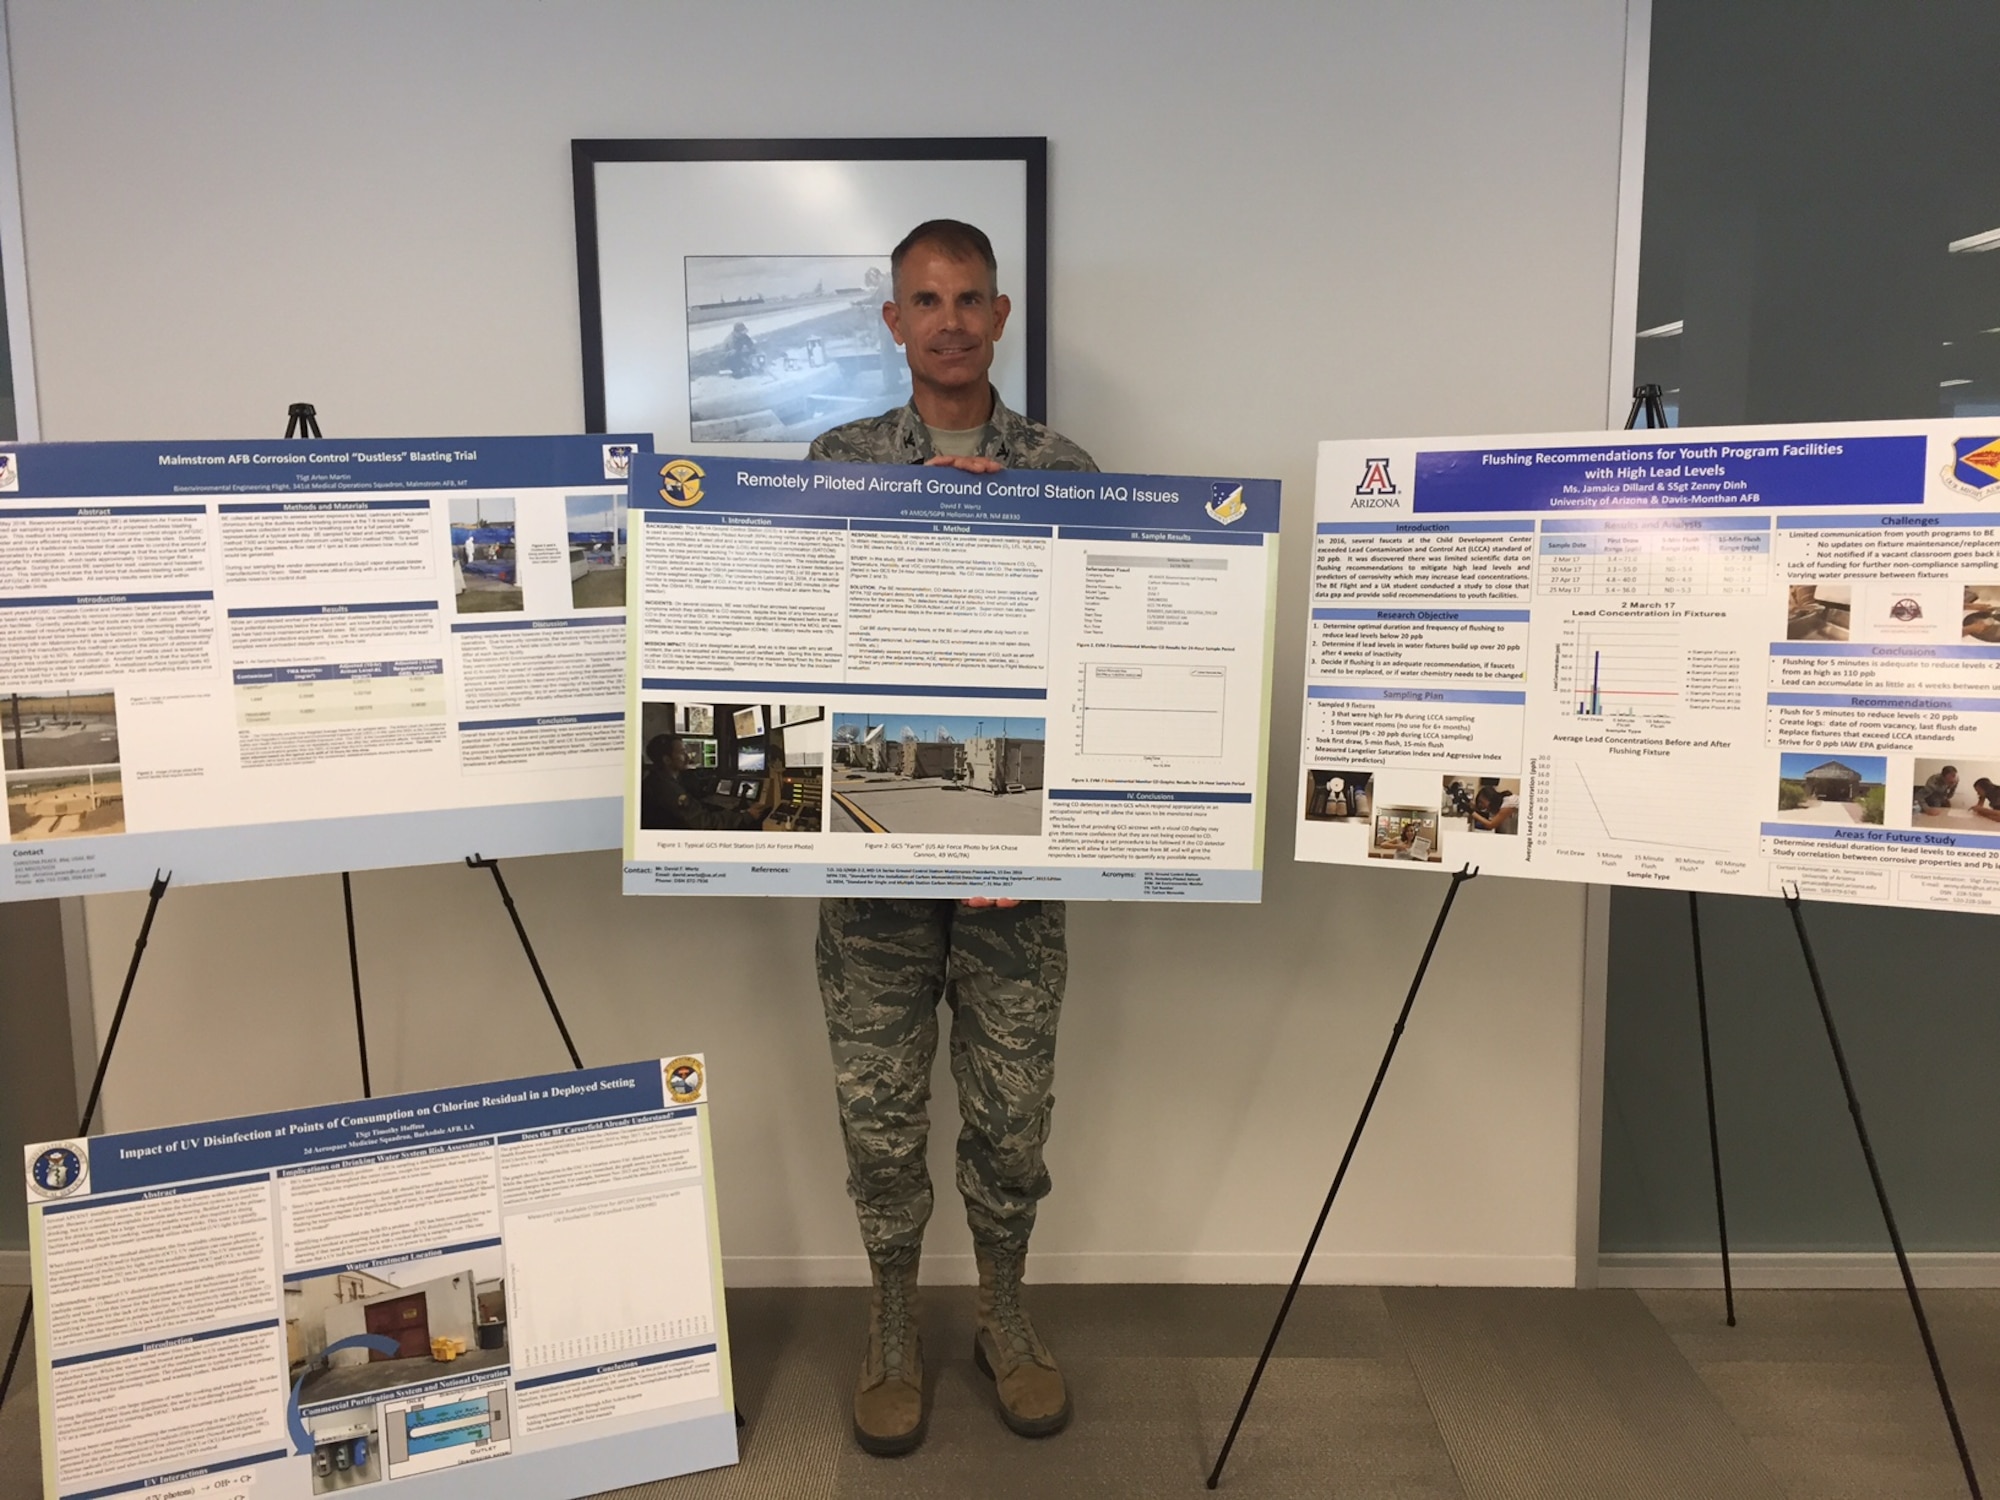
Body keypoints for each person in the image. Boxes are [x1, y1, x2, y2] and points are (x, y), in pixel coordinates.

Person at [809, 219, 1094, 1457]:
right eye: (923, 299)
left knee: (1009, 1112)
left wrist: (1026, 845)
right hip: (870, 866)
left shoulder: (1064, 469)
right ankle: (889, 1324)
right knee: (879, 1116)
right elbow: (797, 647)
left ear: (1002, 312)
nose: (949, 320)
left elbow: (1096, 672)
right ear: (891, 322)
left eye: (970, 297)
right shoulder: (836, 462)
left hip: (1011, 861)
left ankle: (1002, 1313)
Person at [639, 732, 775, 831]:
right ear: (667, 760)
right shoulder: (668, 790)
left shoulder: (656, 780)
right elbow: (706, 823)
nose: (688, 756)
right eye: (682, 752)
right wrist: (747, 815)